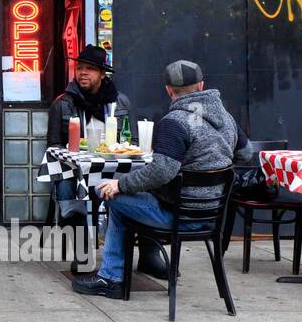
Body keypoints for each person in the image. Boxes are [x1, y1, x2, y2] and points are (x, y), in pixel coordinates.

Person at [72, 59, 254, 299]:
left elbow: (161, 172)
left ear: (168, 90)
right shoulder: (226, 119)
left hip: (178, 216)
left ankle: (112, 278)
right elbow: (246, 153)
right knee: (126, 196)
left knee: (110, 195)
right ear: (201, 86)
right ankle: (140, 262)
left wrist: (120, 183)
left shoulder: (175, 122)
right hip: (211, 217)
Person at [45, 45, 132, 223]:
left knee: (134, 186)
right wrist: (72, 153)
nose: (82, 72)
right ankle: (80, 246)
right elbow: (53, 146)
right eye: (79, 68)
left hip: (111, 171)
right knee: (65, 186)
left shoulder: (119, 102)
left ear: (102, 74)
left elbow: (132, 140)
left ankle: (118, 243)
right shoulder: (62, 104)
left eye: (90, 68)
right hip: (74, 172)